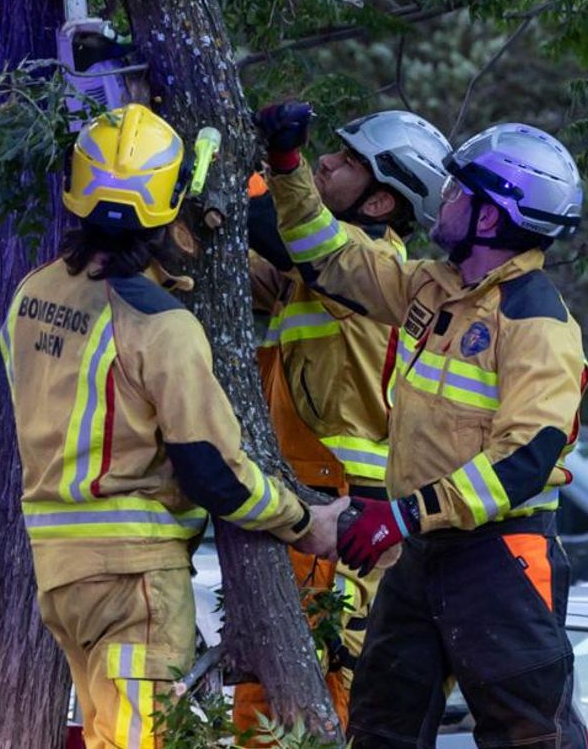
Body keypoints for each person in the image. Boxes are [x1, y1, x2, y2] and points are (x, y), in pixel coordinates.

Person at [2, 103, 349, 749]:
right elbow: (215, 472)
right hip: (135, 578)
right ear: (167, 210)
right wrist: (306, 520)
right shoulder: (165, 328)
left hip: (58, 575)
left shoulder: (33, 296)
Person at [258, 102, 588, 748]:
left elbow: (523, 462)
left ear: (491, 214)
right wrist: (287, 165)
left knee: (529, 736)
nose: (443, 201)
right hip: (423, 556)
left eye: (458, 191)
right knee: (381, 729)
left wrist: (404, 515)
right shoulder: (430, 288)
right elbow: (324, 256)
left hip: (503, 559)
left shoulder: (537, 324)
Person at [234, 110, 451, 735]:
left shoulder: (363, 261)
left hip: (341, 522)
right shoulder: (314, 272)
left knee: (316, 705)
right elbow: (224, 265)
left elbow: (267, 226)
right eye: (333, 153)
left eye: (349, 162)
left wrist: (267, 167)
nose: (327, 162)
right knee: (270, 701)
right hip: (303, 508)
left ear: (381, 201)